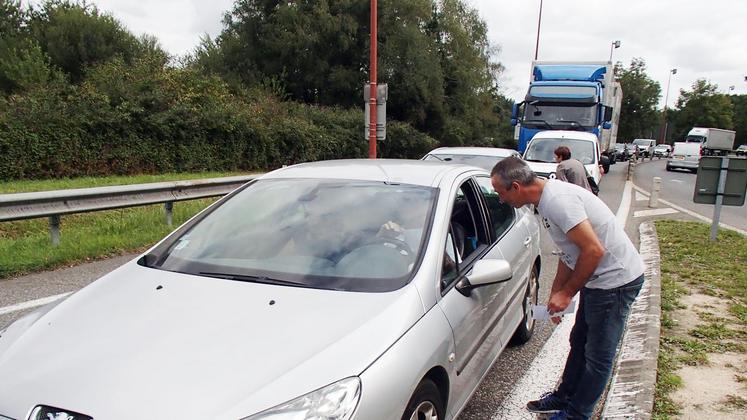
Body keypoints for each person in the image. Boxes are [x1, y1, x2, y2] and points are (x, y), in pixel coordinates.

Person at [490, 157, 645, 420]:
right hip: (598, 281)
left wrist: (568, 293)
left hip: (615, 282)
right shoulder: (546, 200)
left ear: (515, 187)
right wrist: (556, 290)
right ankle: (565, 396)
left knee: (598, 356)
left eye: (500, 192)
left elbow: (594, 251)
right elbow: (570, 252)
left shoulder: (558, 202)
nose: (501, 200)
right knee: (579, 341)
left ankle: (577, 414)